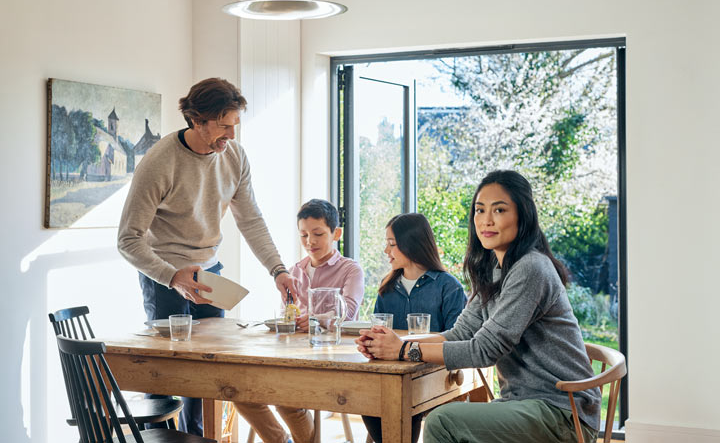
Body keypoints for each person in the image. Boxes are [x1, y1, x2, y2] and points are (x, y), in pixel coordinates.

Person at [356, 170, 601, 443]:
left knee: (443, 422)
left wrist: (403, 350)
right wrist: (392, 344)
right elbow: (460, 333)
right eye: (479, 210)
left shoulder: (531, 268)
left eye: (499, 210)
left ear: (523, 215)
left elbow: (484, 350)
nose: (486, 220)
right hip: (522, 404)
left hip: (561, 411)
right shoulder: (493, 269)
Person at [118, 77, 297, 436]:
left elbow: (252, 220)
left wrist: (278, 270)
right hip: (165, 277)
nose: (231, 135)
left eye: (235, 126)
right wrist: (172, 277)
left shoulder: (234, 157)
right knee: (165, 378)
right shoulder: (159, 162)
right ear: (197, 120)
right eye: (224, 126)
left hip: (209, 275)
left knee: (208, 378)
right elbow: (128, 239)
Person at [235, 199, 364, 443]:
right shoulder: (293, 271)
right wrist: (289, 319)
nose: (309, 242)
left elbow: (348, 312)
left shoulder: (351, 270)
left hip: (332, 358)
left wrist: (316, 319)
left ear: (336, 233)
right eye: (303, 235)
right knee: (236, 390)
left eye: (318, 234)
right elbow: (288, 314)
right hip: (292, 356)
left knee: (285, 399)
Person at [361, 212, 466, 443]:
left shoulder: (449, 287)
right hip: (392, 373)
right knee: (366, 396)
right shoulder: (387, 288)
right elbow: (380, 331)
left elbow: (458, 341)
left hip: (433, 374)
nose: (386, 251)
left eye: (392, 244)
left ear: (411, 244)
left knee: (403, 402)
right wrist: (370, 343)